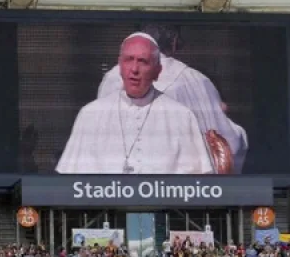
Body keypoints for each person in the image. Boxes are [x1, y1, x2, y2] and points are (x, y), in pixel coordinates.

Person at [97, 24, 248, 173]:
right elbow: (229, 143)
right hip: (176, 189)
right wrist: (240, 134)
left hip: (119, 188)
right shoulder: (195, 81)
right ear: (174, 41)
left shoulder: (112, 79)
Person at [56, 32, 213, 174]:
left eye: (143, 61)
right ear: (120, 66)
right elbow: (69, 181)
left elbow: (199, 184)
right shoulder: (90, 114)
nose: (134, 69)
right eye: (129, 60)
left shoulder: (181, 116)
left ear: (157, 71)